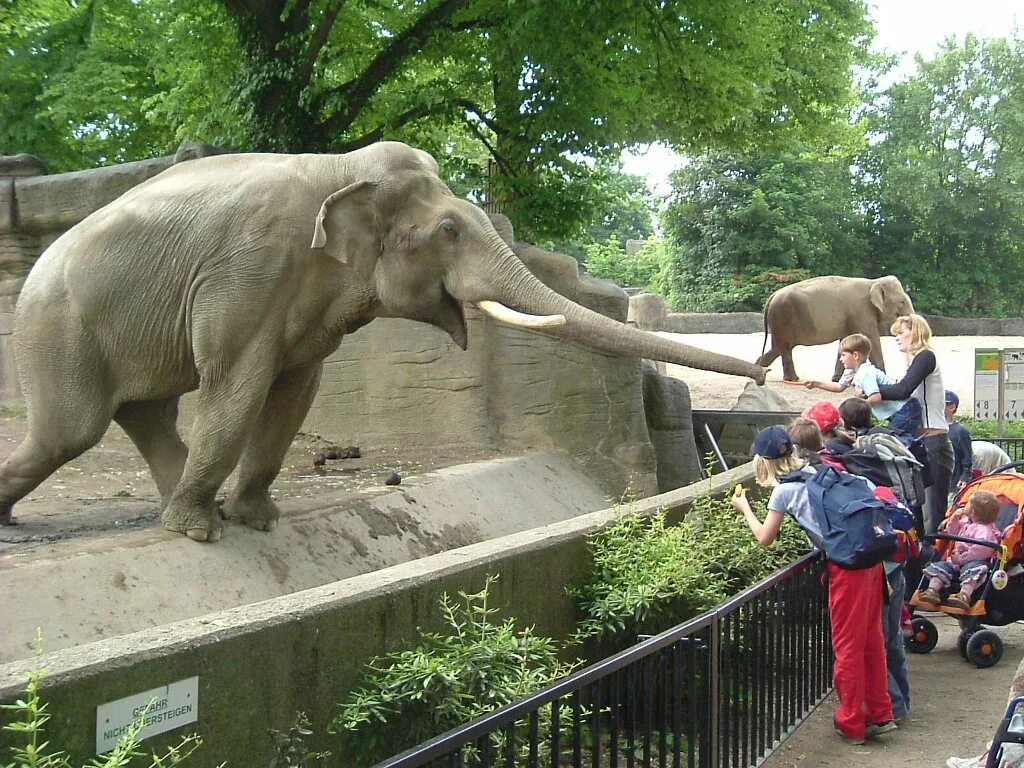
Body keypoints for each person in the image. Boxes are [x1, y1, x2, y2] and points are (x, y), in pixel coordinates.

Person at [731, 425, 895, 746]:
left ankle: (851, 721)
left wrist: (745, 508)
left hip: (846, 569)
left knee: (847, 645)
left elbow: (766, 538)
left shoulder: (784, 491)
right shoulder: (819, 469)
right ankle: (880, 711)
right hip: (870, 560)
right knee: (870, 640)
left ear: (763, 462)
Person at [872, 314, 954, 535]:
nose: (897, 338)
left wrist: (873, 393)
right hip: (920, 442)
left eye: (901, 332)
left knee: (932, 516)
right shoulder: (914, 363)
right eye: (895, 334)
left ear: (915, 332)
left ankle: (935, 561)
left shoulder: (926, 356)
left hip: (933, 442)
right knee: (917, 512)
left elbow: (903, 390)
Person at [805, 333, 922, 438]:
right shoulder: (852, 371)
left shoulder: (866, 373)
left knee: (898, 441)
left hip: (905, 409)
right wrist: (816, 383)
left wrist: (858, 405)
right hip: (896, 411)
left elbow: (875, 397)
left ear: (855, 355)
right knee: (894, 439)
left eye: (843, 355)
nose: (840, 359)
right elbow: (838, 387)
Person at [917, 489, 1001, 610]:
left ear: (973, 511)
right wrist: (955, 516)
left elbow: (982, 550)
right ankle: (932, 590)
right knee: (941, 567)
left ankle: (964, 595)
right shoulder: (966, 522)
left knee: (973, 571)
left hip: (973, 562)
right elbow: (952, 531)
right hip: (956, 562)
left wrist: (962, 559)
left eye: (968, 503)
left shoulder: (985, 531)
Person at [946, 390, 974, 491]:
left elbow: (968, 458)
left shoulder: (960, 431)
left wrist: (965, 477)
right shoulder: (930, 429)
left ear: (952, 407)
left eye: (942, 404)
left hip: (953, 485)